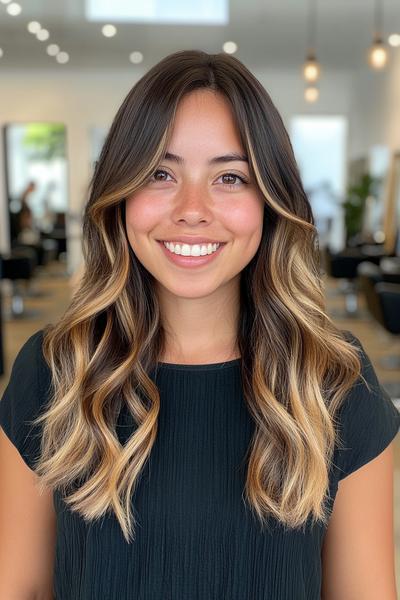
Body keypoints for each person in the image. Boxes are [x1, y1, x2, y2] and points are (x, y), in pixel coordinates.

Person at [0, 50, 399, 600]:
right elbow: (19, 587)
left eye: (230, 177)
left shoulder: (333, 382)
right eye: (161, 173)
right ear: (120, 192)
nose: (193, 208)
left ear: (270, 200)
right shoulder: (54, 372)